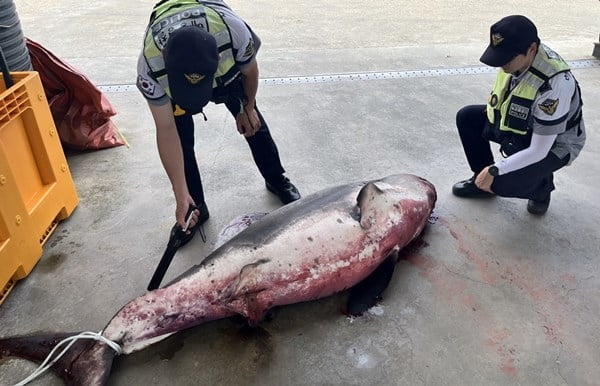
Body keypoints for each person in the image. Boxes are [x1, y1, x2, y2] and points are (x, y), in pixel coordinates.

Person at [136, 0, 301, 243]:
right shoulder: (149, 68)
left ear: (219, 56)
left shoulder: (233, 32)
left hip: (224, 67)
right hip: (181, 69)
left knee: (253, 122)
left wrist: (248, 106)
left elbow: (250, 72)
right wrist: (180, 194)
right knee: (181, 141)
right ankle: (194, 206)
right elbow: (166, 129)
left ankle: (276, 178)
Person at [452, 15, 586, 215]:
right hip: (522, 124)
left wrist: (496, 170)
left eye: (506, 58)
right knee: (467, 117)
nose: (500, 63)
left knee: (502, 182)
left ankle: (541, 190)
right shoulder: (516, 55)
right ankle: (481, 180)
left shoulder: (554, 84)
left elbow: (539, 150)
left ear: (531, 49)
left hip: (553, 143)